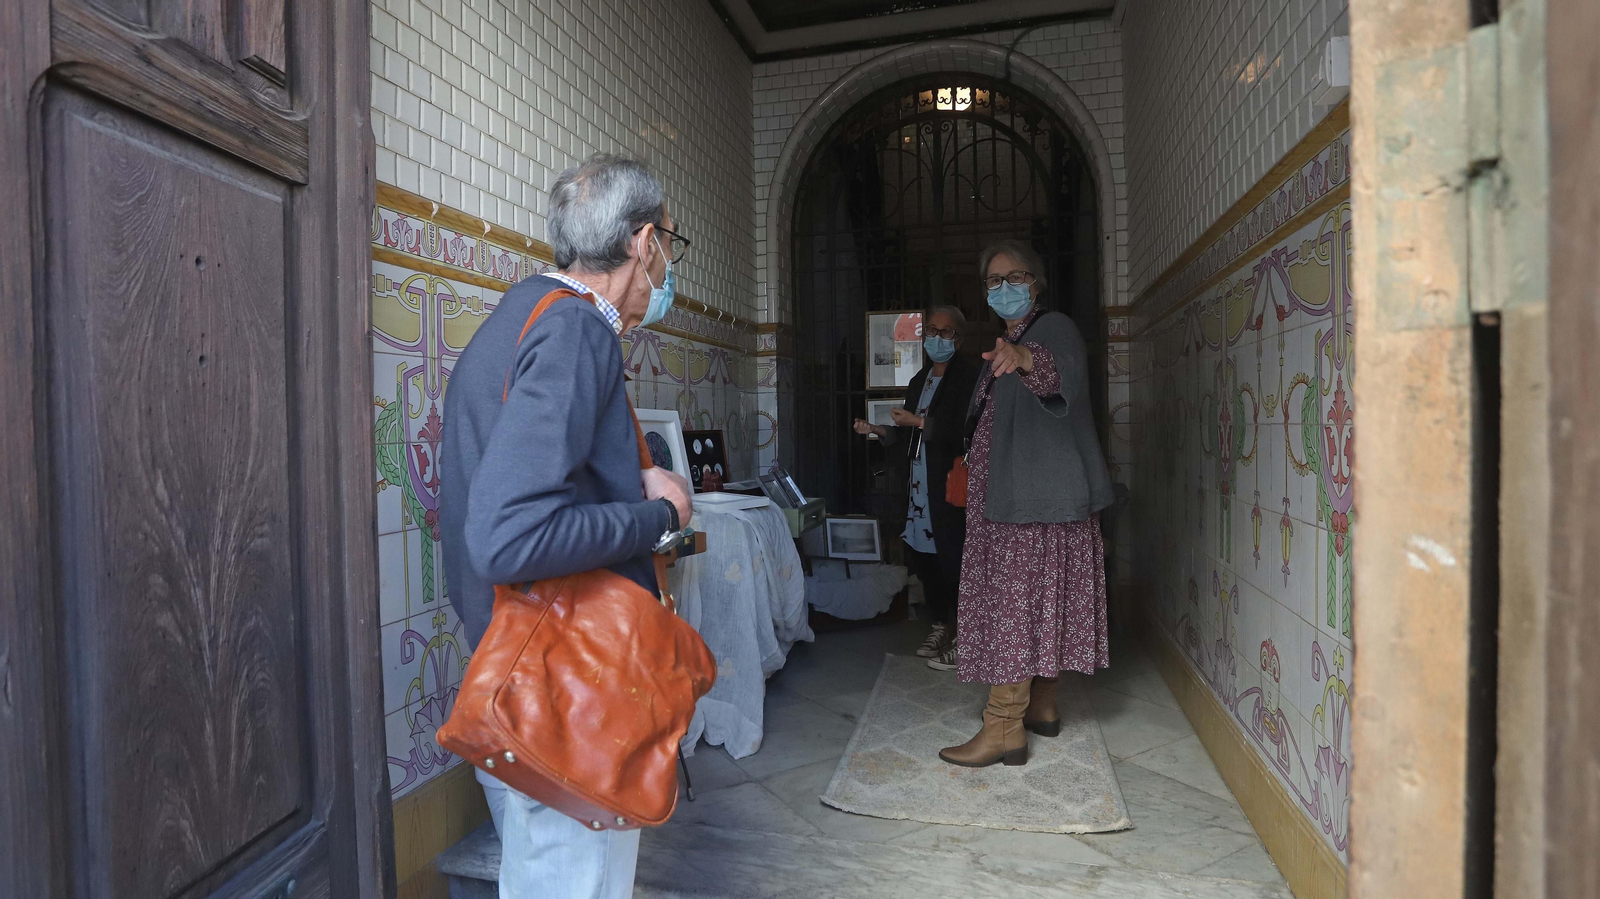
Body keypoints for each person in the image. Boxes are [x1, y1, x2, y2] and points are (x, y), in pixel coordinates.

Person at [439, 154, 695, 899]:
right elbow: (509, 535)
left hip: (513, 658)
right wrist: (658, 514)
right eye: (670, 245)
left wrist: (626, 476)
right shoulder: (578, 330)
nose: (667, 264)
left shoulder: (520, 313)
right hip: (561, 680)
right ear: (644, 242)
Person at [938, 239, 1114, 769]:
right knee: (1041, 602)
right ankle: (1042, 706)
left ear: (1036, 283)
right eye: (993, 281)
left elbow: (1060, 372)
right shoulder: (1008, 336)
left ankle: (1002, 729)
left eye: (1014, 277)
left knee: (1014, 609)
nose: (1004, 287)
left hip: (1033, 505)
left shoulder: (1050, 327)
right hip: (1032, 501)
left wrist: (1024, 358)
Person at [852, 306, 979, 670]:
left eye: (947, 332)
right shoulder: (919, 381)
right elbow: (908, 434)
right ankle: (941, 626)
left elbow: (970, 433)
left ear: (959, 338)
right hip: (919, 490)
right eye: (933, 331)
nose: (938, 339)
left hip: (951, 488)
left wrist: (921, 421)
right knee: (928, 561)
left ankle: (965, 634)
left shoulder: (969, 379)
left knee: (955, 559)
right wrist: (876, 431)